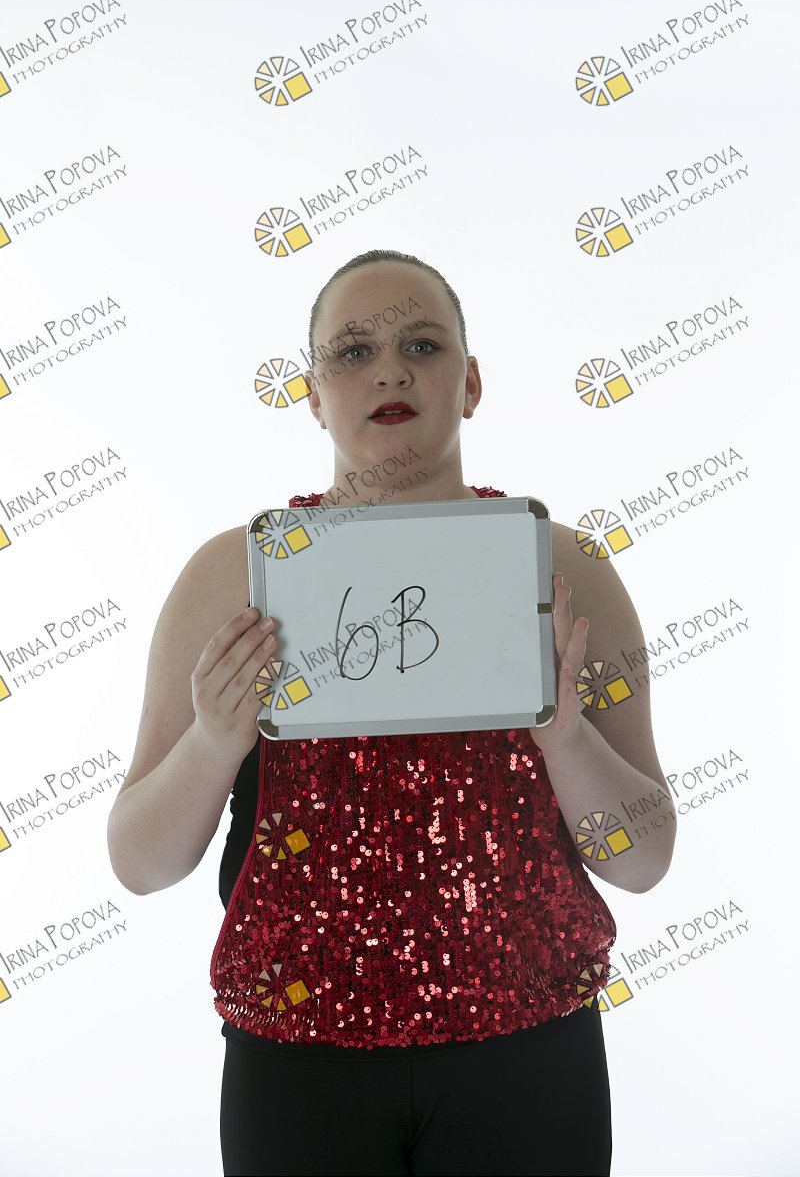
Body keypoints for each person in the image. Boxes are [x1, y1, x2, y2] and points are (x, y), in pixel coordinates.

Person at [107, 249, 675, 1176]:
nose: (390, 372)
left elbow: (643, 859)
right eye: (353, 352)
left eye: (422, 345)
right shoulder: (231, 576)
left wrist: (564, 734)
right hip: (296, 1058)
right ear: (312, 395)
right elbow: (139, 861)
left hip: (531, 1047)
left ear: (471, 382)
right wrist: (214, 740)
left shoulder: (565, 569)